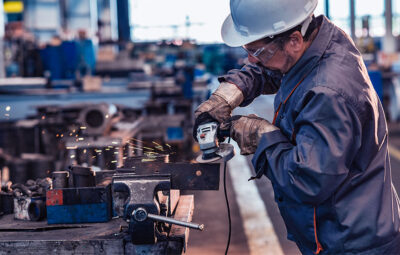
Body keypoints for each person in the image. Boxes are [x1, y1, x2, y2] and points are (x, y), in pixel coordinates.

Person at [193, 0, 400, 254]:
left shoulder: (329, 94)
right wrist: (229, 94)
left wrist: (261, 137)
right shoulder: (317, 41)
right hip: (338, 231)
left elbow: (306, 180)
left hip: (352, 243)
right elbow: (271, 69)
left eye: (256, 51)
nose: (250, 59)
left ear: (293, 39)